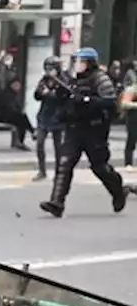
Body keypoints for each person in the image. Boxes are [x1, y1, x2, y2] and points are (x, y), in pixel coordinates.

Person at [41, 48, 132, 218]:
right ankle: (57, 202)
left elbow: (109, 102)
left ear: (90, 63)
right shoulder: (71, 79)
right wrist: (56, 93)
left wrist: (86, 100)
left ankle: (118, 190)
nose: (78, 64)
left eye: (81, 61)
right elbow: (61, 98)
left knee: (100, 167)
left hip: (94, 130)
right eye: (76, 61)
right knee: (64, 164)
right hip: (74, 128)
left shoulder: (100, 78)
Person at [33, 55, 69, 180]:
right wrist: (40, 92)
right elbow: (37, 96)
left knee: (58, 147)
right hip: (44, 116)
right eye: (47, 68)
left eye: (51, 68)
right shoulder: (44, 80)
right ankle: (42, 170)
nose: (49, 71)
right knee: (39, 144)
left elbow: (65, 96)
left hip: (58, 117)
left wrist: (51, 93)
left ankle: (58, 172)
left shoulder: (64, 80)